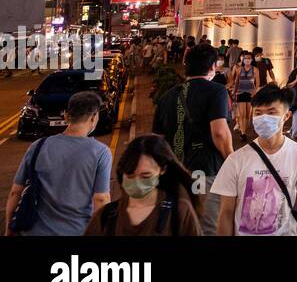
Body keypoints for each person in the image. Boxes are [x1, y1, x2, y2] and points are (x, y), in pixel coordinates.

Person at [212, 85, 297, 236]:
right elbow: (226, 212)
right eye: (258, 113)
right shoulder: (236, 160)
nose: (264, 118)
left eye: (271, 112)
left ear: (287, 116)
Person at [152, 44, 234, 236]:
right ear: (213, 66)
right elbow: (220, 133)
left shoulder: (166, 97)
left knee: (180, 225)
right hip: (204, 171)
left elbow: (157, 141)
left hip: (176, 174)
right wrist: (233, 161)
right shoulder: (217, 91)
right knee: (206, 226)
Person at [4, 91, 111, 236]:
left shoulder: (38, 146)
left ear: (67, 115)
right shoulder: (101, 152)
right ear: (93, 117)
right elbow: (101, 199)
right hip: (76, 231)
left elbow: (15, 192)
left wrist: (8, 230)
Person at [84, 135, 202, 236]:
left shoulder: (179, 212)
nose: (137, 183)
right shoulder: (106, 216)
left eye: (146, 176)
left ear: (162, 170)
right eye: (130, 176)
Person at [229, 50, 258, 137]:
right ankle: (243, 133)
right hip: (240, 93)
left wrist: (255, 92)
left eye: (249, 58)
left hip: (250, 94)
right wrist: (234, 92)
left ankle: (244, 129)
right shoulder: (238, 69)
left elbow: (258, 83)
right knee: (242, 115)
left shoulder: (255, 69)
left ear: (252, 59)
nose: (247, 60)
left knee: (248, 115)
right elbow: (237, 82)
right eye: (245, 58)